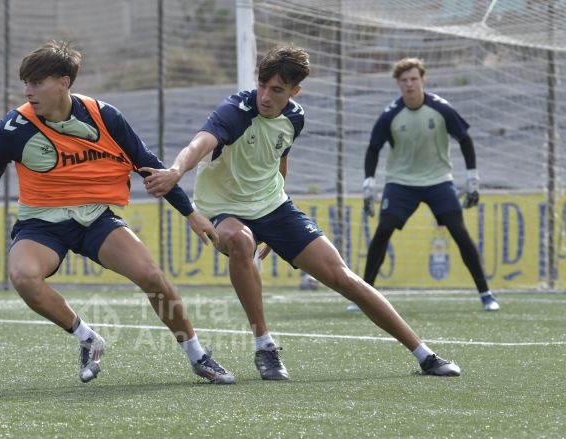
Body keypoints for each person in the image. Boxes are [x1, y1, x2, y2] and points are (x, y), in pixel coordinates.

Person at [142, 45, 461, 380]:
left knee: (344, 278)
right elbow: (200, 143)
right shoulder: (235, 110)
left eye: (277, 89)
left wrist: (275, 223)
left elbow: (280, 159)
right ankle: (265, 346)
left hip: (275, 208)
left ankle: (425, 355)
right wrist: (176, 171)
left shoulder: (295, 117)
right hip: (224, 210)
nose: (265, 95)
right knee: (239, 240)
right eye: (262, 85)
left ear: (295, 91)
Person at [0, 40, 235, 384]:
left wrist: (191, 213)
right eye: (26, 83)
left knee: (152, 277)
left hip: (96, 219)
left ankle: (198, 356)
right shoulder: (14, 127)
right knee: (22, 278)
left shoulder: (103, 115)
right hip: (41, 224)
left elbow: (147, 164)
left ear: (64, 82)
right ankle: (88, 338)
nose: (28, 91)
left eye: (37, 82)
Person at [354, 57, 499, 313]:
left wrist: (472, 179)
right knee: (383, 229)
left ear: (423, 80)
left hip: (438, 181)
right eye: (404, 80)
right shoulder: (389, 115)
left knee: (458, 231)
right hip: (401, 183)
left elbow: (465, 140)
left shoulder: (441, 109)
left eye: (413, 79)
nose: (409, 84)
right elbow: (373, 148)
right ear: (398, 84)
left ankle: (486, 294)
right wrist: (368, 185)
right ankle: (364, 296)